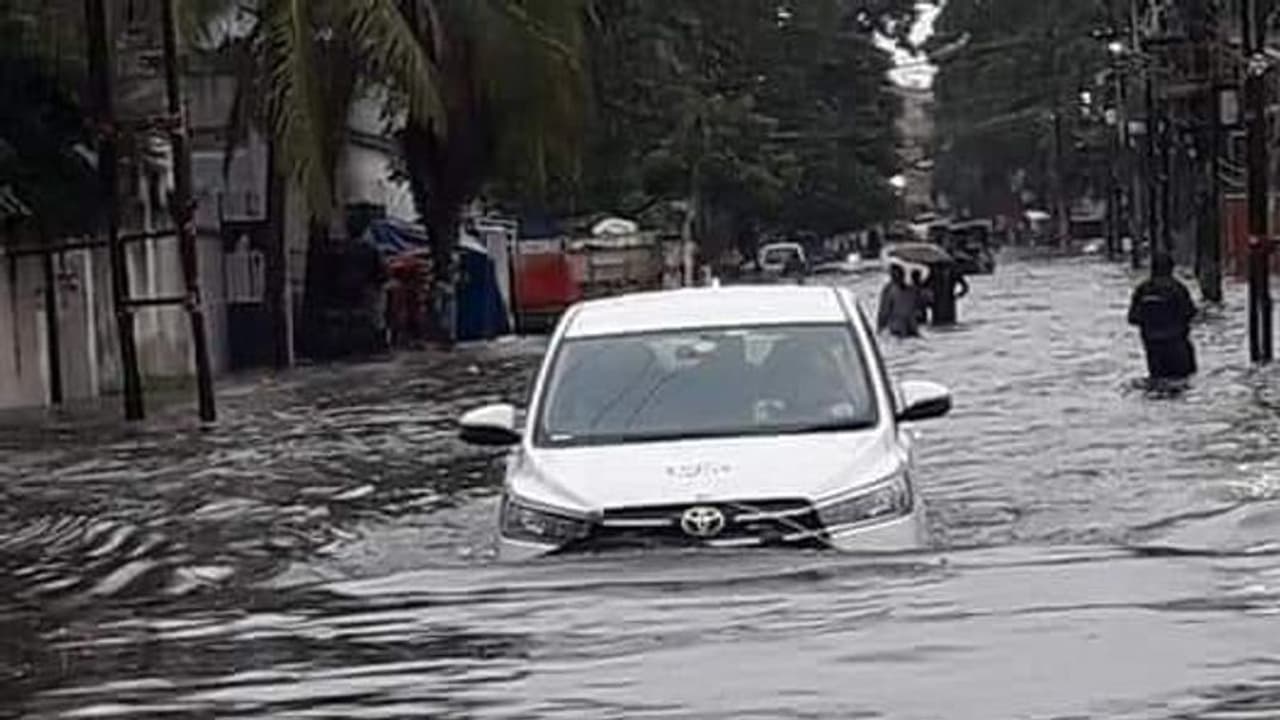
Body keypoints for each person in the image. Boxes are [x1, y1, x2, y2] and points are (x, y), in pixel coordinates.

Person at [1128, 253, 1197, 382]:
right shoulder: (1178, 288)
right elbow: (1190, 313)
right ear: (1171, 268)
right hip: (1177, 345)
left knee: (1158, 381)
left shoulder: (1142, 289)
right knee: (1182, 382)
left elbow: (1132, 318)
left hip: (1153, 348)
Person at [877, 264, 923, 338]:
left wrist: (880, 327)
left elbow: (884, 311)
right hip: (901, 327)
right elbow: (884, 310)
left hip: (906, 327)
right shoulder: (891, 289)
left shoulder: (911, 290)